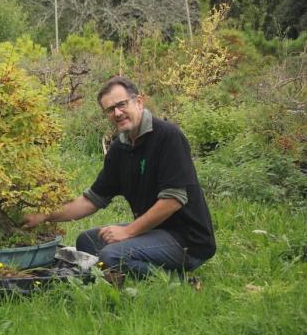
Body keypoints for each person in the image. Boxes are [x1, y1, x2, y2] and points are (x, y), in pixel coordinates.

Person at [23, 76, 215, 280]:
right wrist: (44, 215)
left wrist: (128, 232)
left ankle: (178, 279)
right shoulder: (119, 149)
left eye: (121, 104)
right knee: (87, 241)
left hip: (187, 240)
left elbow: (173, 201)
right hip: (155, 232)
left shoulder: (168, 136)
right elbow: (91, 201)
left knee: (111, 255)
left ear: (138, 102)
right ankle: (122, 270)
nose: (117, 113)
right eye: (109, 109)